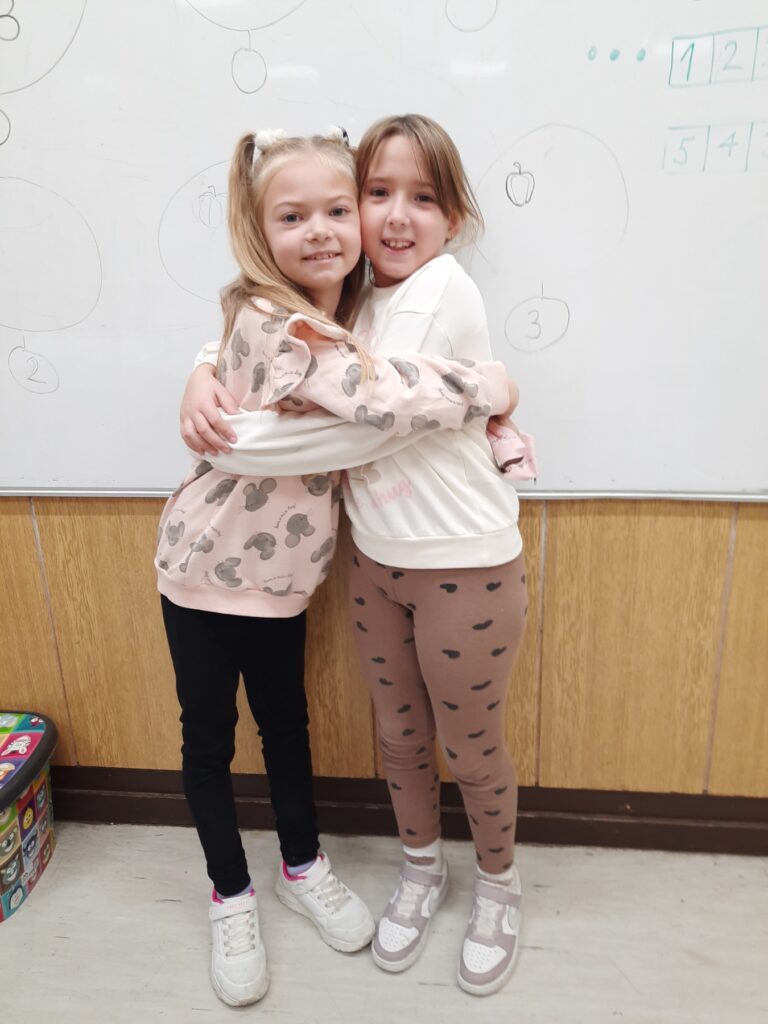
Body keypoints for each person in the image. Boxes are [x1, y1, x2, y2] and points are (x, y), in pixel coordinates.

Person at [157, 125, 516, 1007]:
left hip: (301, 581)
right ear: (258, 229)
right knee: (218, 740)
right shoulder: (300, 313)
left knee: (301, 730)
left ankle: (322, 869)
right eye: (295, 215)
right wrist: (489, 389)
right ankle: (233, 895)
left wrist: (496, 412)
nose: (330, 228)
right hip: (209, 571)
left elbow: (369, 386)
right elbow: (364, 413)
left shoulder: (370, 298)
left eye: (335, 209)